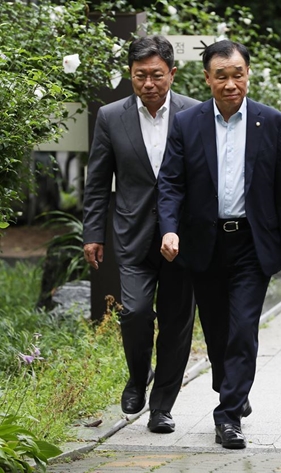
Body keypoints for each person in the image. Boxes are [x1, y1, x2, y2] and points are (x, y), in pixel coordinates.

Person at [157, 39, 281, 450]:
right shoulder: (187, 124)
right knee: (218, 332)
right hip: (204, 243)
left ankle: (229, 415)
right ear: (207, 78)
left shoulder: (271, 122)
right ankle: (231, 384)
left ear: (248, 75)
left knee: (242, 330)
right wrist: (170, 229)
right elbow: (171, 183)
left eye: (238, 74)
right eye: (221, 76)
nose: (230, 83)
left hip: (252, 244)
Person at [82, 36, 199, 434]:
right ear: (130, 76)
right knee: (133, 312)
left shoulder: (194, 113)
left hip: (181, 238)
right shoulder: (111, 116)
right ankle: (137, 375)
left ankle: (162, 406)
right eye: (139, 76)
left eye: (156, 75)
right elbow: (98, 182)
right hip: (131, 233)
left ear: (172, 74)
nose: (148, 83)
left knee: (176, 321)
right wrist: (93, 233)